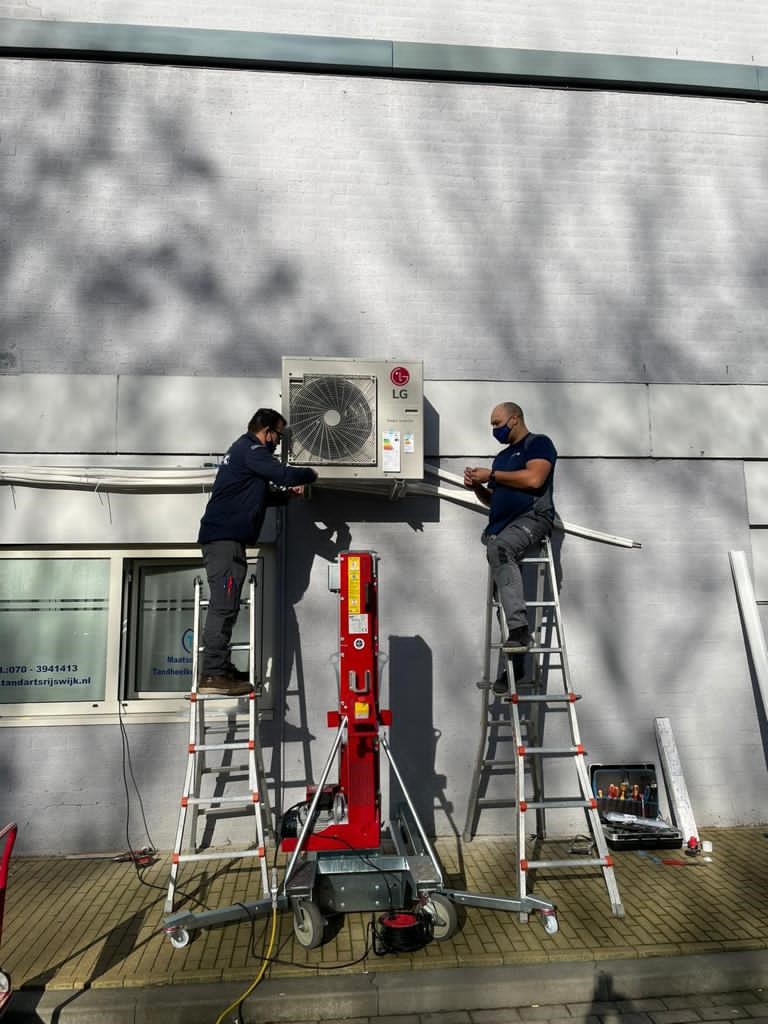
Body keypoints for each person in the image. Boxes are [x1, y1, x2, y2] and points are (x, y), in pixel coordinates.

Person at [197, 408, 318, 696]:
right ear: (267, 432)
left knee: (228, 605)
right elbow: (282, 474)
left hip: (226, 540)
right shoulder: (252, 450)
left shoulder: (242, 452)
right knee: (223, 605)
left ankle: (221, 668)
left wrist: (286, 496)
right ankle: (213, 674)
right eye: (279, 436)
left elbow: (259, 495)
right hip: (224, 540)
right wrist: (312, 473)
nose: (278, 442)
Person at [463, 402, 557, 655]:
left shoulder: (538, 443)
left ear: (514, 419)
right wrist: (477, 485)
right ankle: (515, 664)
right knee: (503, 593)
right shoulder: (502, 458)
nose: (494, 430)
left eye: (497, 423)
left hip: (533, 517)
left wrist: (492, 475)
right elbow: (492, 499)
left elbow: (535, 479)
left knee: (501, 548)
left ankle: (520, 631)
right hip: (502, 526)